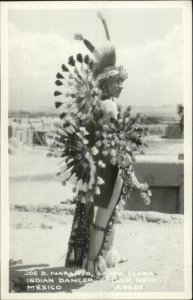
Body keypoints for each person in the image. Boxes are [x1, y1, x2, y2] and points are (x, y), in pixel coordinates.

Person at [53, 12, 151, 278]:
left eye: (122, 82)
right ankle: (95, 263)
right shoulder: (108, 105)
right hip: (108, 166)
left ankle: (104, 255)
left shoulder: (104, 102)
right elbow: (112, 139)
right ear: (106, 82)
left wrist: (105, 26)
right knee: (105, 214)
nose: (122, 86)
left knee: (108, 212)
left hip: (104, 164)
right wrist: (126, 158)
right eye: (118, 82)